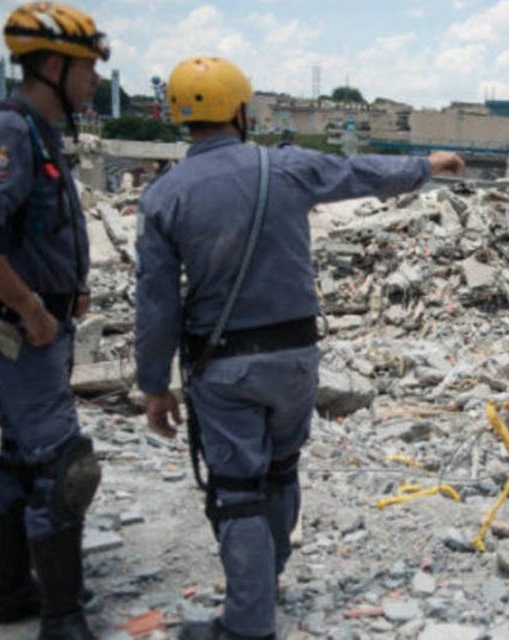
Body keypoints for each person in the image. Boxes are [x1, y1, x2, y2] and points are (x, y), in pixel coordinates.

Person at [135, 55, 464, 640]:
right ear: (240, 109)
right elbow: (359, 172)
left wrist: (155, 384)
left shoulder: (165, 195)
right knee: (281, 471)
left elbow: (156, 302)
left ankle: (247, 624)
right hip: (295, 359)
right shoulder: (286, 168)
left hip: (224, 364)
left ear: (177, 115)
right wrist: (426, 165)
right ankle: (270, 575)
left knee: (237, 492)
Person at [0, 3, 109, 638]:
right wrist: (32, 306)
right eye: (89, 70)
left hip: (38, 325)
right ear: (54, 65)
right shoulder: (10, 131)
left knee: (21, 458)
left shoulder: (40, 130)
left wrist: (67, 293)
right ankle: (63, 619)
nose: (95, 83)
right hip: (18, 326)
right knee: (65, 466)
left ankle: (9, 591)